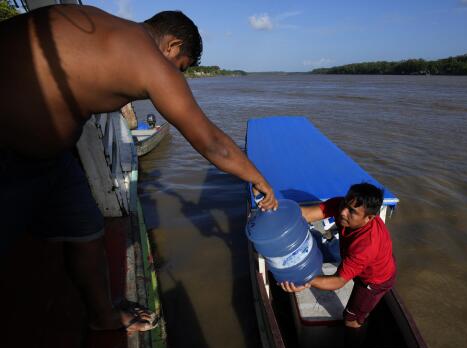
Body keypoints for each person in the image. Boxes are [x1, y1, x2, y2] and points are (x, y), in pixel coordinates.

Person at [0, 6, 277, 331]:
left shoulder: (102, 25)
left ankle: (102, 316)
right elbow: (212, 143)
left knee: (86, 230)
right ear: (172, 46)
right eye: (181, 66)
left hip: (53, 161)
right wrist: (259, 179)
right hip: (10, 155)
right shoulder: (151, 60)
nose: (176, 75)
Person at [279, 183, 396, 348]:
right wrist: (278, 211)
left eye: (352, 212)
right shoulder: (342, 206)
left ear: (369, 218)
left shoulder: (366, 246)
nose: (343, 212)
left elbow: (337, 281)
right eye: (345, 205)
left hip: (375, 280)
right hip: (375, 260)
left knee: (351, 319)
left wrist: (303, 279)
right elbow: (307, 214)